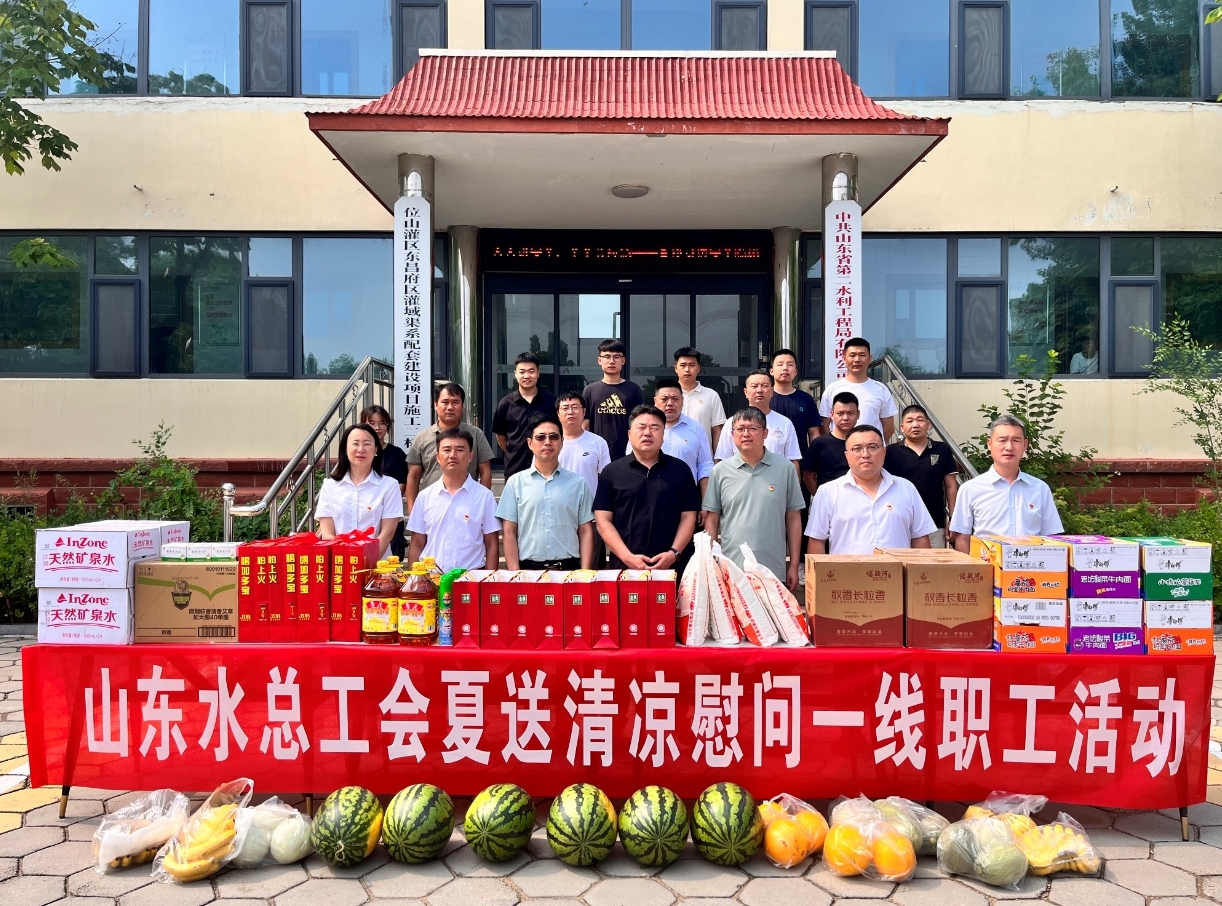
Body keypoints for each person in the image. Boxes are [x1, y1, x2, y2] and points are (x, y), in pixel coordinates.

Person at [702, 407, 805, 589]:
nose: (746, 434)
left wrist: (794, 565)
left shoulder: (785, 468)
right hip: (732, 568)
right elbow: (712, 519)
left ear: (765, 433)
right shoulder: (720, 471)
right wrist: (710, 562)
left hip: (772, 569)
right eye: (740, 429)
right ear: (732, 435)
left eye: (752, 428)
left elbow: (793, 518)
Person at [594, 405, 701, 573]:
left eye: (655, 428)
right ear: (629, 434)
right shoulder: (612, 472)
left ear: (663, 435)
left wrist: (673, 553)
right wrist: (627, 557)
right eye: (641, 427)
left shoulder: (680, 470)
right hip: (625, 569)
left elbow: (688, 517)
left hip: (673, 568)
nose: (647, 433)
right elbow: (603, 521)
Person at [805, 425, 936, 555]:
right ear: (847, 455)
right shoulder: (828, 492)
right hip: (847, 569)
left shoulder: (906, 488)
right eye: (857, 448)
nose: (865, 454)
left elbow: (920, 537)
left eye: (872, 447)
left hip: (898, 568)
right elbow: (816, 541)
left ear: (884, 452)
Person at [950, 414, 1064, 550]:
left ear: (1025, 445)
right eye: (1002, 440)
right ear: (989, 444)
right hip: (986, 562)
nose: (1009, 447)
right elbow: (963, 539)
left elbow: (1051, 538)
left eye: (1016, 440)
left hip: (1032, 562)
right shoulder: (970, 489)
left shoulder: (1040, 489)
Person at [496, 414, 595, 570]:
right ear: (530, 443)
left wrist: (584, 572)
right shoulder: (515, 483)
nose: (547, 442)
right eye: (540, 437)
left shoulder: (578, 483)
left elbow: (586, 531)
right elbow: (509, 532)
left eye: (554, 437)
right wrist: (515, 573)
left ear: (562, 442)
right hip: (528, 571)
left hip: (569, 570)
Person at [406, 428, 500, 571]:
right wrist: (414, 578)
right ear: (438, 457)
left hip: (471, 577)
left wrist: (489, 579)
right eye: (447, 450)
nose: (453, 455)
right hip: (431, 577)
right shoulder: (425, 496)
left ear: (470, 456)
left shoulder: (484, 497)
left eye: (460, 450)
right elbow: (417, 543)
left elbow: (492, 544)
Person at [315, 423, 404, 558]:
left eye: (367, 444)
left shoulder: (389, 485)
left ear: (376, 450)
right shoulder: (330, 486)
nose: (361, 449)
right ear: (345, 449)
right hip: (340, 564)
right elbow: (327, 534)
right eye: (355, 444)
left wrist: (366, 563)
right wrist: (346, 562)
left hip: (377, 564)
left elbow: (387, 533)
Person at [405, 382, 494, 512]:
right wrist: (412, 509)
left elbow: (485, 472)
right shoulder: (422, 437)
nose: (450, 407)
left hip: (468, 505)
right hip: (432, 505)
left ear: (462, 406)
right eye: (445, 402)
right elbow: (413, 476)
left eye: (455, 402)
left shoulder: (476, 434)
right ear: (435, 405)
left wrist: (483, 504)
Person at [884, 404, 961, 548]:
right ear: (902, 427)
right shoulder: (891, 452)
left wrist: (953, 518)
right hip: (900, 522)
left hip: (934, 523)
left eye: (920, 420)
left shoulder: (942, 449)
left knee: (933, 562)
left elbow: (951, 486)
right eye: (910, 421)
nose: (915, 425)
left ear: (928, 425)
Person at [713, 369, 801, 475]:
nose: (759, 390)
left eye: (764, 386)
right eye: (754, 386)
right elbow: (722, 460)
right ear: (746, 392)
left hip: (776, 482)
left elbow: (793, 461)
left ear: (772, 391)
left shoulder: (785, 423)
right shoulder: (732, 423)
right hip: (740, 481)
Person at [493, 353, 558, 479]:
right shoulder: (505, 404)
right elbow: (501, 437)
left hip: (547, 469)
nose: (527, 376)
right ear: (515, 374)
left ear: (538, 373)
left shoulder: (551, 402)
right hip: (515, 468)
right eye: (522, 372)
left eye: (531, 371)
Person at [819, 337, 897, 440]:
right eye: (852, 355)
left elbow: (889, 428)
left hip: (871, 448)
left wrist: (873, 445)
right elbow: (824, 425)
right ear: (844, 358)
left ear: (870, 358)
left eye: (862, 355)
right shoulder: (832, 389)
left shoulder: (881, 390)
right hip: (839, 449)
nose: (857, 360)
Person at [647, 378, 713, 496]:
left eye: (675, 399)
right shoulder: (643, 430)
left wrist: (706, 501)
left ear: (682, 401)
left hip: (687, 497)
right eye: (664, 399)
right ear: (655, 401)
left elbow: (705, 467)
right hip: (650, 496)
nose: (670, 403)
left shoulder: (696, 429)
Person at [582, 339, 644, 462]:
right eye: (607, 357)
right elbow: (585, 424)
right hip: (596, 453)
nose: (611, 361)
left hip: (627, 453)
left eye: (616, 357)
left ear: (623, 360)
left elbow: (640, 422)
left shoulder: (634, 389)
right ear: (599, 360)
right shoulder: (590, 391)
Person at [360, 404, 408, 558]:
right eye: (371, 423)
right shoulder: (359, 454)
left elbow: (401, 486)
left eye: (382, 423)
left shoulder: (397, 454)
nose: (377, 428)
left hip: (389, 515)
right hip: (363, 518)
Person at [802, 391, 859, 497]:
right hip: (829, 500)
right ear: (832, 415)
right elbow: (808, 477)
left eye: (851, 413)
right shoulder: (819, 444)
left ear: (858, 414)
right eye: (840, 413)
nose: (845, 418)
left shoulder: (863, 443)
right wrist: (821, 498)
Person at [556, 390, 612, 495]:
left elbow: (606, 480)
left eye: (575, 407)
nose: (570, 412)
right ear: (558, 413)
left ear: (584, 412)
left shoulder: (598, 442)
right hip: (557, 503)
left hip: (589, 504)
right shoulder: (549, 442)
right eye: (565, 408)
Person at [769, 349, 820, 459]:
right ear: (771, 371)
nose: (785, 368)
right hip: (769, 461)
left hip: (800, 459)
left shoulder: (806, 399)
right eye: (780, 364)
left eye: (790, 364)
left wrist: (813, 460)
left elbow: (814, 433)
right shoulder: (764, 398)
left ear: (796, 372)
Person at [674, 346, 727, 450]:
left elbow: (717, 430)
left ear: (698, 368)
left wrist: (718, 458)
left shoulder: (711, 395)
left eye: (692, 365)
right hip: (672, 456)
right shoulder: (667, 396)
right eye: (683, 365)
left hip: (703, 457)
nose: (687, 370)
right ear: (676, 368)